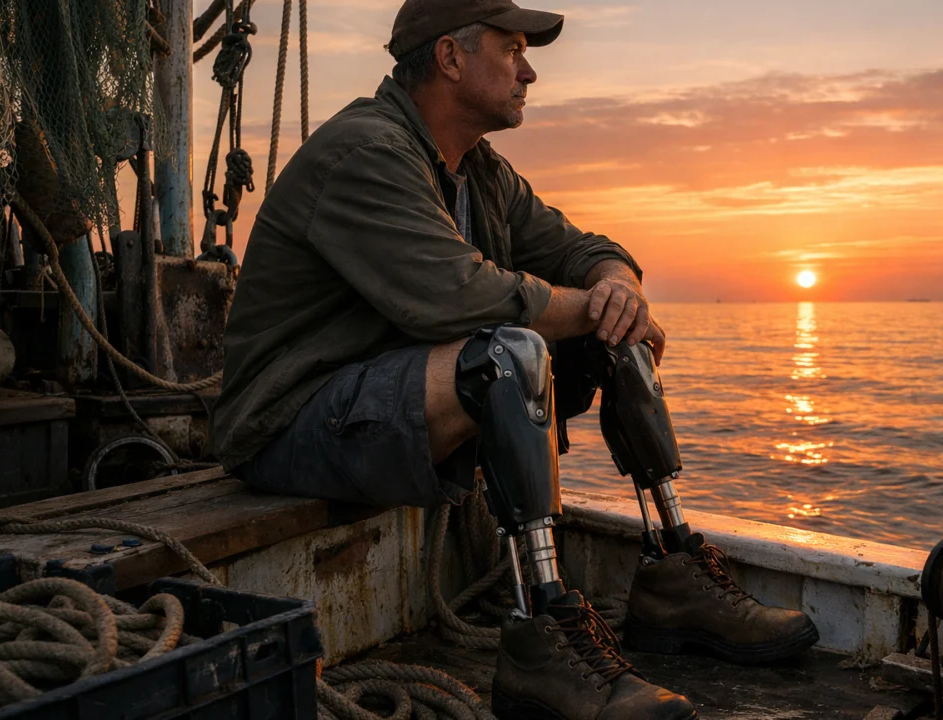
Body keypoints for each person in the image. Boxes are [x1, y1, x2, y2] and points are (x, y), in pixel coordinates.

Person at [212, 1, 819, 717]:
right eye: (512, 50)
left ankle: (673, 573)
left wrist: (618, 288)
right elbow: (458, 299)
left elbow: (578, 248)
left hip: (378, 403)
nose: (528, 72)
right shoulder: (365, 153)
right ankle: (542, 634)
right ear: (450, 58)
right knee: (506, 354)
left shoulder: (480, 172)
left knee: (612, 333)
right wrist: (591, 306)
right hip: (290, 421)